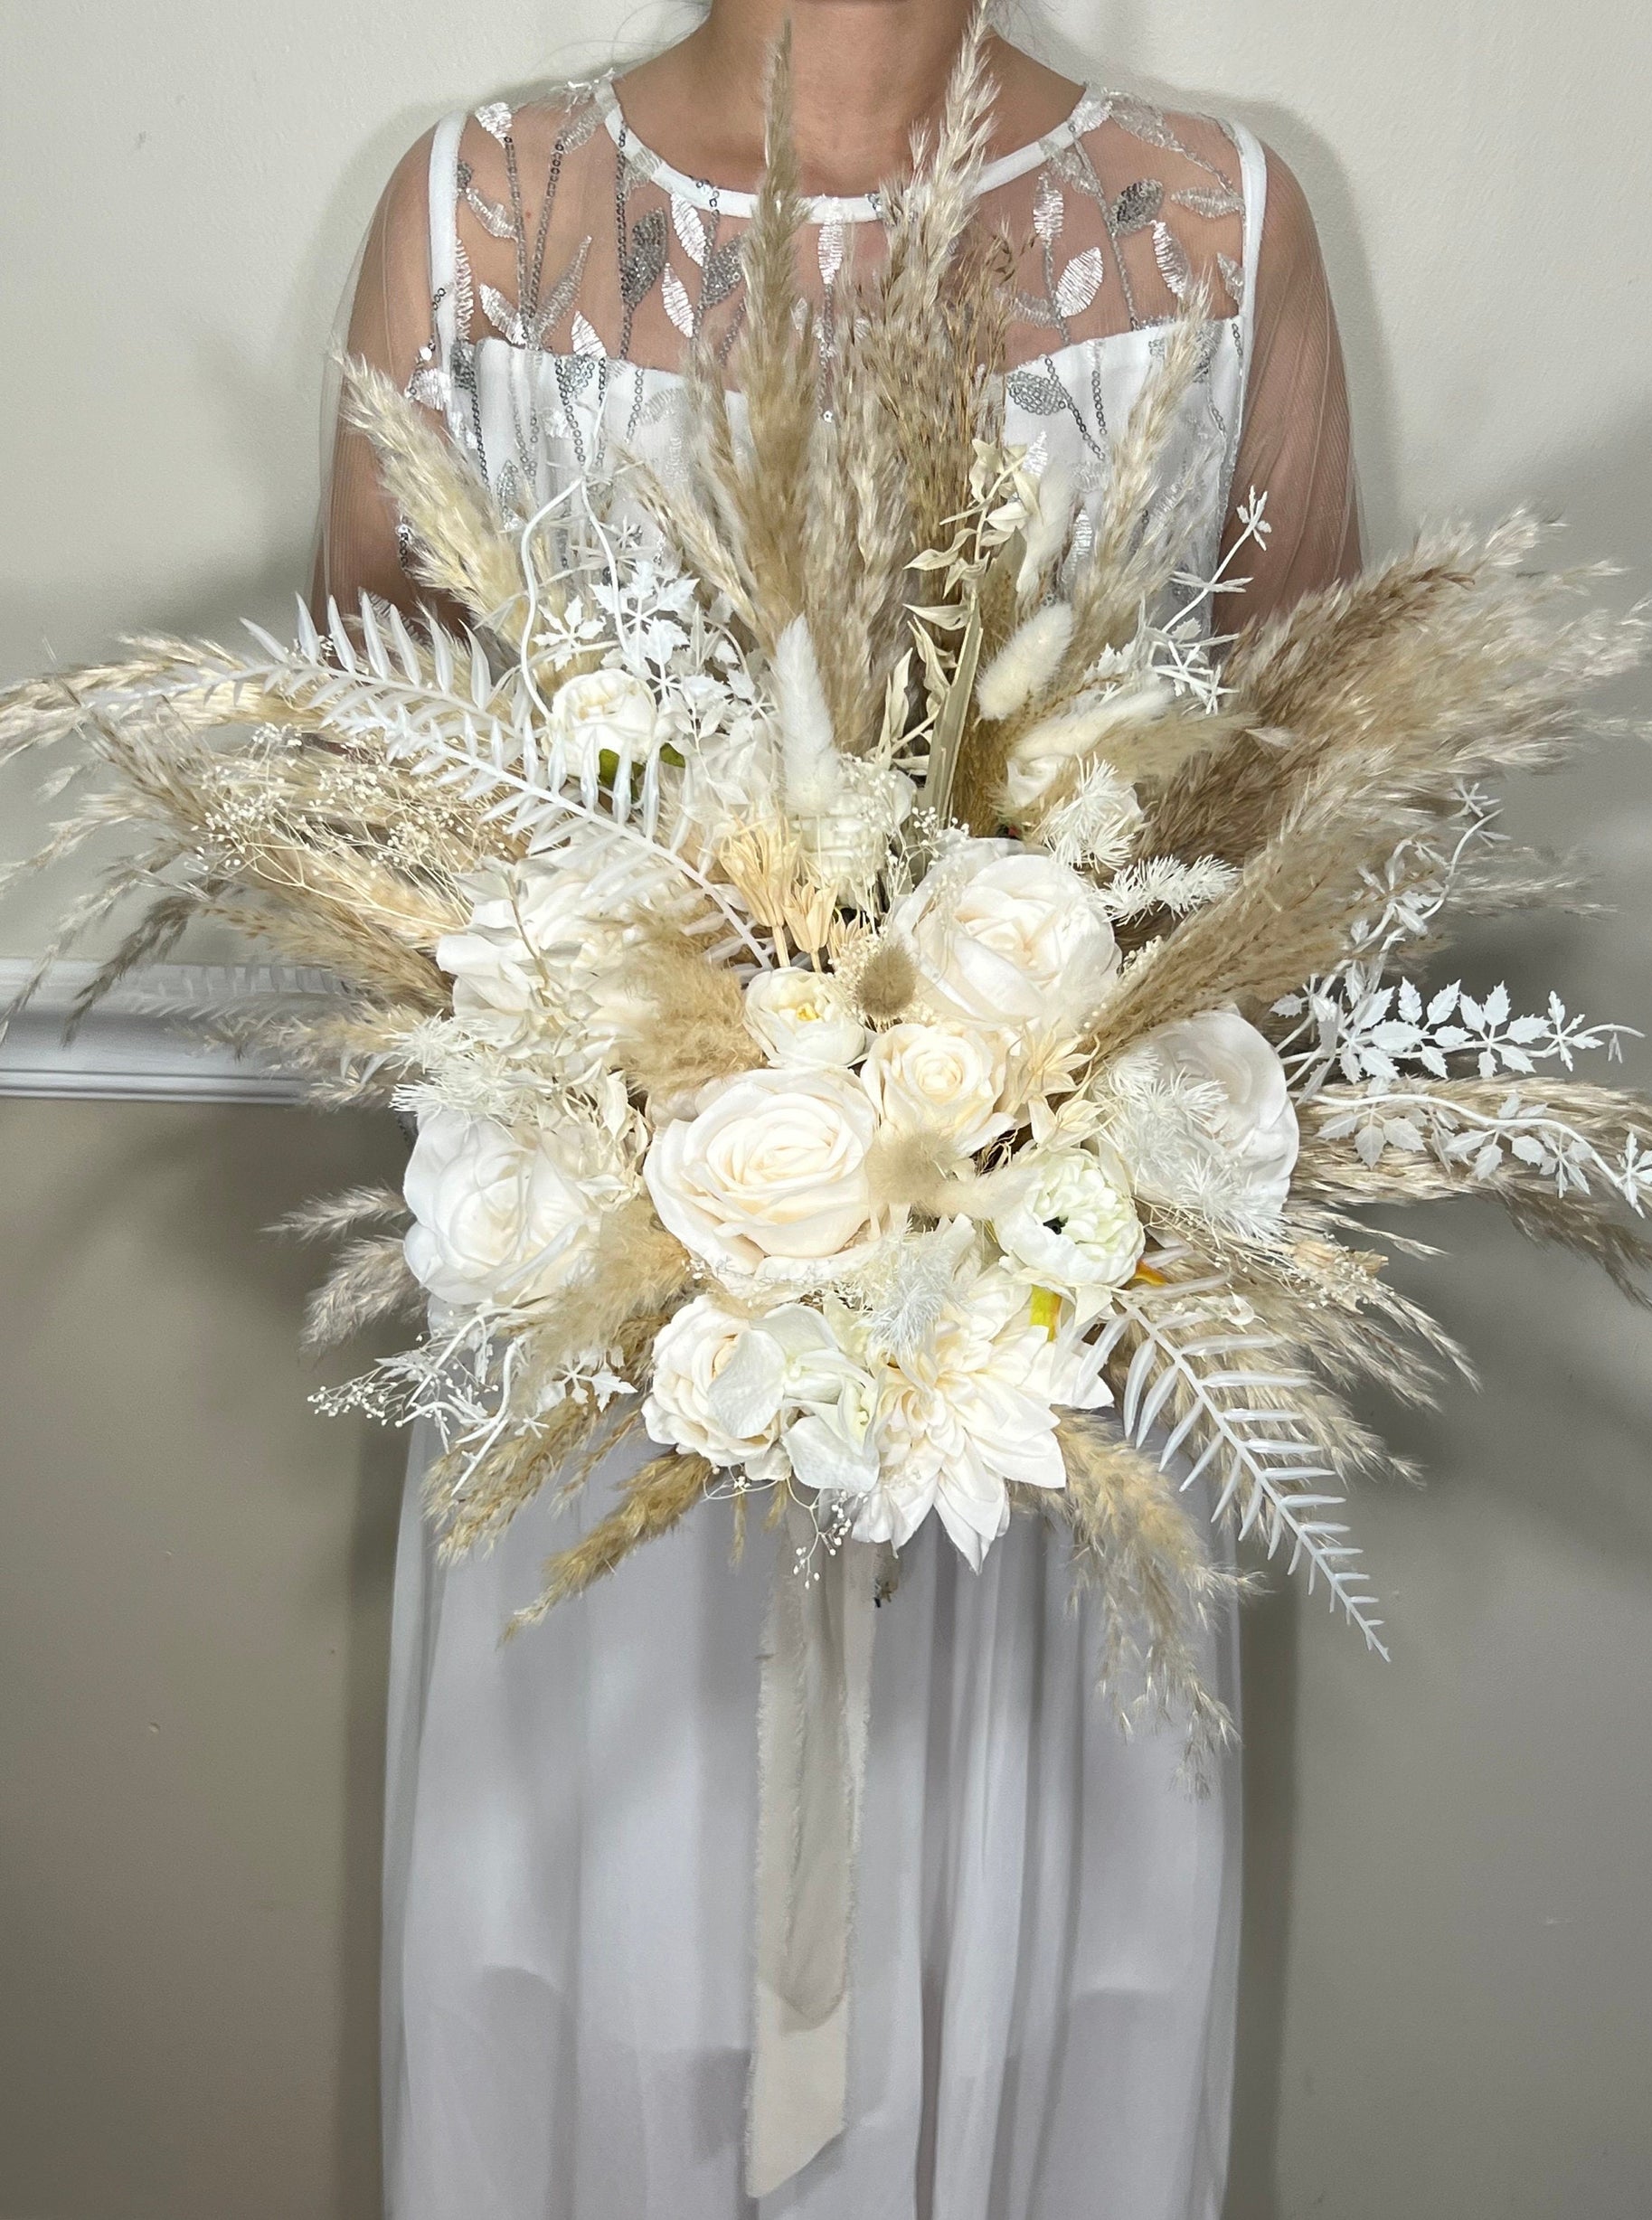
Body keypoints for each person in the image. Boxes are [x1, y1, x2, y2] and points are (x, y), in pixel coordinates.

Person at [317, 4, 1361, 2211]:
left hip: (1052, 1390)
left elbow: (1301, 838)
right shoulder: (482, 211)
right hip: (617, 1376)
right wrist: (682, 1114)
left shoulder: (1222, 221)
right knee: (584, 1994)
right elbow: (369, 805)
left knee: (1036, 2012)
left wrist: (1002, 1157)